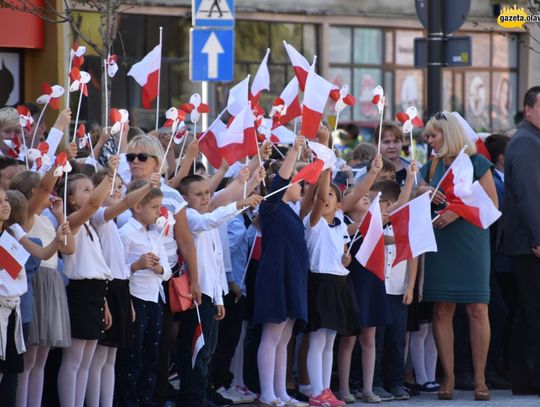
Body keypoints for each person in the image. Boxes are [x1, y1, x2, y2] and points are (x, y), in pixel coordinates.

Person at [418, 112, 498, 401]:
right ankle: (448, 378)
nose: (428, 141)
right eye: (427, 136)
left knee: (478, 309)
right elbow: (415, 196)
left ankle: (480, 379)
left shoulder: (477, 162)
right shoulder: (432, 166)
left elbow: (492, 204)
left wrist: (457, 211)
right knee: (442, 310)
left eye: (433, 135)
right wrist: (423, 190)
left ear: (448, 134)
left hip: (472, 241)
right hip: (441, 241)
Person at [176, 174, 262, 407]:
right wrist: (240, 204)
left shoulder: (208, 218)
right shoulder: (191, 217)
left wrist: (219, 299)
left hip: (210, 295)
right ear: (185, 198)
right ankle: (192, 397)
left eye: (207, 193)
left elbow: (216, 262)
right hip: (195, 295)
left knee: (209, 349)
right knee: (197, 348)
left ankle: (201, 392)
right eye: (198, 194)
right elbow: (210, 221)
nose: (205, 198)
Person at [85, 170, 161, 407]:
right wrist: (148, 185)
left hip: (120, 290)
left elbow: (120, 269)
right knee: (96, 360)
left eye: (119, 186)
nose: (116, 190)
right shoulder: (99, 216)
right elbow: (129, 202)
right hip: (104, 290)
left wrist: (126, 300)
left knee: (110, 357)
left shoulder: (115, 223)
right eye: (111, 186)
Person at [56, 157, 120, 407]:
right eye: (85, 190)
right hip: (80, 292)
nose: (92, 194)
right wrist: (110, 174)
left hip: (96, 292)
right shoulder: (71, 222)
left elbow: (97, 267)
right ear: (71, 200)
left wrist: (104, 301)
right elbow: (94, 204)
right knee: (73, 360)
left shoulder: (91, 226)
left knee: (86, 359)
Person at [253, 136, 310, 407]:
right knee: (272, 335)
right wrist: (295, 150)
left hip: (293, 277)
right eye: (298, 182)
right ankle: (267, 393)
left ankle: (281, 392)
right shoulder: (271, 206)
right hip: (275, 277)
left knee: (285, 336)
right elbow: (281, 180)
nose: (302, 186)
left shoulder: (290, 210)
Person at [304, 165, 359, 407]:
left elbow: (344, 254)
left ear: (339, 205)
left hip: (339, 283)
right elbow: (318, 201)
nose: (326, 199)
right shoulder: (313, 222)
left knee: (330, 341)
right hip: (320, 282)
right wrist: (326, 168)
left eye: (331, 196)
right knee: (317, 340)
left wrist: (347, 258)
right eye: (322, 194)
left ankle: (326, 389)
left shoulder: (339, 225)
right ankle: (316, 392)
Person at [117, 179, 172, 406]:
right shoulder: (126, 233)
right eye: (154, 207)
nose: (159, 211)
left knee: (152, 353)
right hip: (135, 299)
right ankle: (128, 400)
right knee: (133, 355)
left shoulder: (157, 233)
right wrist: (137, 265)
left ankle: (146, 399)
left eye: (160, 206)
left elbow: (168, 271)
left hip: (155, 299)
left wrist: (158, 267)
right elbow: (117, 272)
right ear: (137, 206)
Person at [503, 86, 540, 395]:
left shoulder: (529, 139)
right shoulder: (527, 143)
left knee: (526, 309)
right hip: (532, 243)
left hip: (527, 240)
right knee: (533, 310)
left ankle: (524, 378)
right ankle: (531, 377)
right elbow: (531, 196)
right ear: (528, 109)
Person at [374, 122, 412, 186]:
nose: (392, 146)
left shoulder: (414, 170)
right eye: (386, 142)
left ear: (402, 142)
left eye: (396, 141)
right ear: (376, 144)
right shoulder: (366, 172)